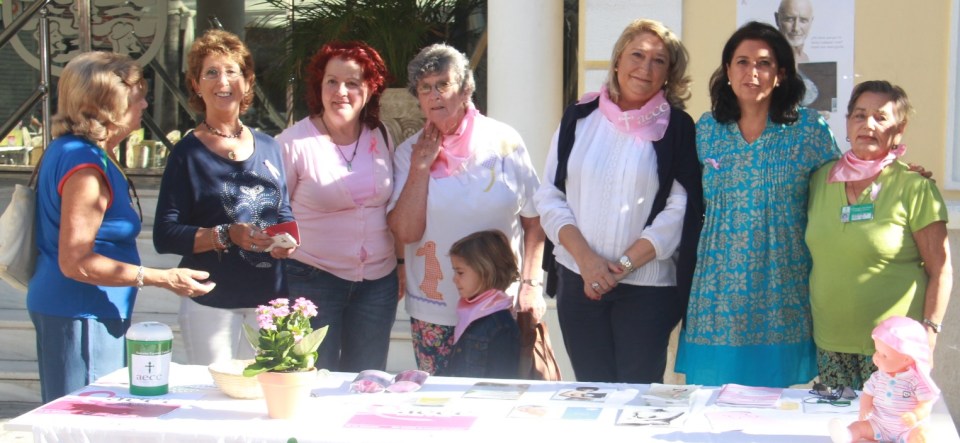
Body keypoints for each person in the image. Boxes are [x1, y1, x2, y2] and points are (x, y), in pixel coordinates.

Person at [28, 52, 214, 402]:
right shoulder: (83, 163)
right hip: (81, 314)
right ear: (108, 102)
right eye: (138, 93)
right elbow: (77, 261)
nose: (145, 102)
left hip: (83, 310)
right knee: (86, 421)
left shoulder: (77, 151)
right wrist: (162, 278)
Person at [534, 18, 703, 384]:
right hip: (580, 284)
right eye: (637, 55)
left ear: (669, 74)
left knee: (637, 396)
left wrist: (622, 265)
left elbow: (680, 211)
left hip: (647, 291)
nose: (645, 67)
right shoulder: (579, 117)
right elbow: (550, 193)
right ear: (617, 61)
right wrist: (587, 261)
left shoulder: (678, 128)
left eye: (659, 60)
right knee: (592, 390)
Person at [675, 21, 840, 387]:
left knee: (774, 408)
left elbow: (847, 184)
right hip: (717, 291)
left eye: (764, 63)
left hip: (782, 287)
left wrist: (898, 174)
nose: (752, 72)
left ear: (780, 74)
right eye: (742, 61)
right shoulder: (706, 129)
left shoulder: (809, 130)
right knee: (712, 404)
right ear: (728, 70)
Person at [388, 43, 546, 375]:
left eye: (443, 84)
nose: (434, 95)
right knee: (440, 406)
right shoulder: (407, 153)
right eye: (425, 88)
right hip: (435, 311)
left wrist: (531, 285)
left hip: (500, 307)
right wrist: (420, 168)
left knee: (498, 401)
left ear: (465, 89)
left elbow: (535, 222)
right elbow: (405, 233)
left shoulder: (505, 142)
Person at [154, 30, 296, 366]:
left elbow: (283, 211)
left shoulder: (269, 146)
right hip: (211, 301)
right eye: (211, 72)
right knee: (213, 400)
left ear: (248, 81)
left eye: (232, 71)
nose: (223, 81)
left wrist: (286, 239)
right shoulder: (186, 154)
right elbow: (164, 234)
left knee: (262, 399)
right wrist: (225, 234)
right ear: (196, 84)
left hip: (269, 302)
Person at [806, 81, 950, 390]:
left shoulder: (915, 187)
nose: (868, 125)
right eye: (859, 115)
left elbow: (941, 271)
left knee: (891, 432)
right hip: (831, 346)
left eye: (880, 117)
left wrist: (929, 333)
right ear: (847, 123)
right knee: (841, 432)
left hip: (896, 350)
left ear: (900, 129)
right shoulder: (819, 180)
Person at [275, 41, 398, 372]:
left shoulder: (382, 135)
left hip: (378, 283)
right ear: (320, 85)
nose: (340, 91)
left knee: (366, 382)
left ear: (371, 89)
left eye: (353, 83)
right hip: (312, 280)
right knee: (309, 381)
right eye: (332, 81)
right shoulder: (292, 143)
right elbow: (268, 214)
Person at [828, 316, 940, 443]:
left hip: (905, 429)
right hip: (879, 426)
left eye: (884, 355)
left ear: (907, 358)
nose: (876, 357)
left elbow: (926, 404)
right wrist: (865, 406)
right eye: (877, 351)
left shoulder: (915, 381)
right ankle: (847, 435)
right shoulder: (878, 376)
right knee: (859, 427)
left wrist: (915, 415)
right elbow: (868, 393)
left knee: (918, 434)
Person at [438, 230, 521, 378]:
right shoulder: (471, 311)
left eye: (460, 272)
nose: (454, 279)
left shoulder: (501, 323)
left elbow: (502, 378)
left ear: (485, 271)